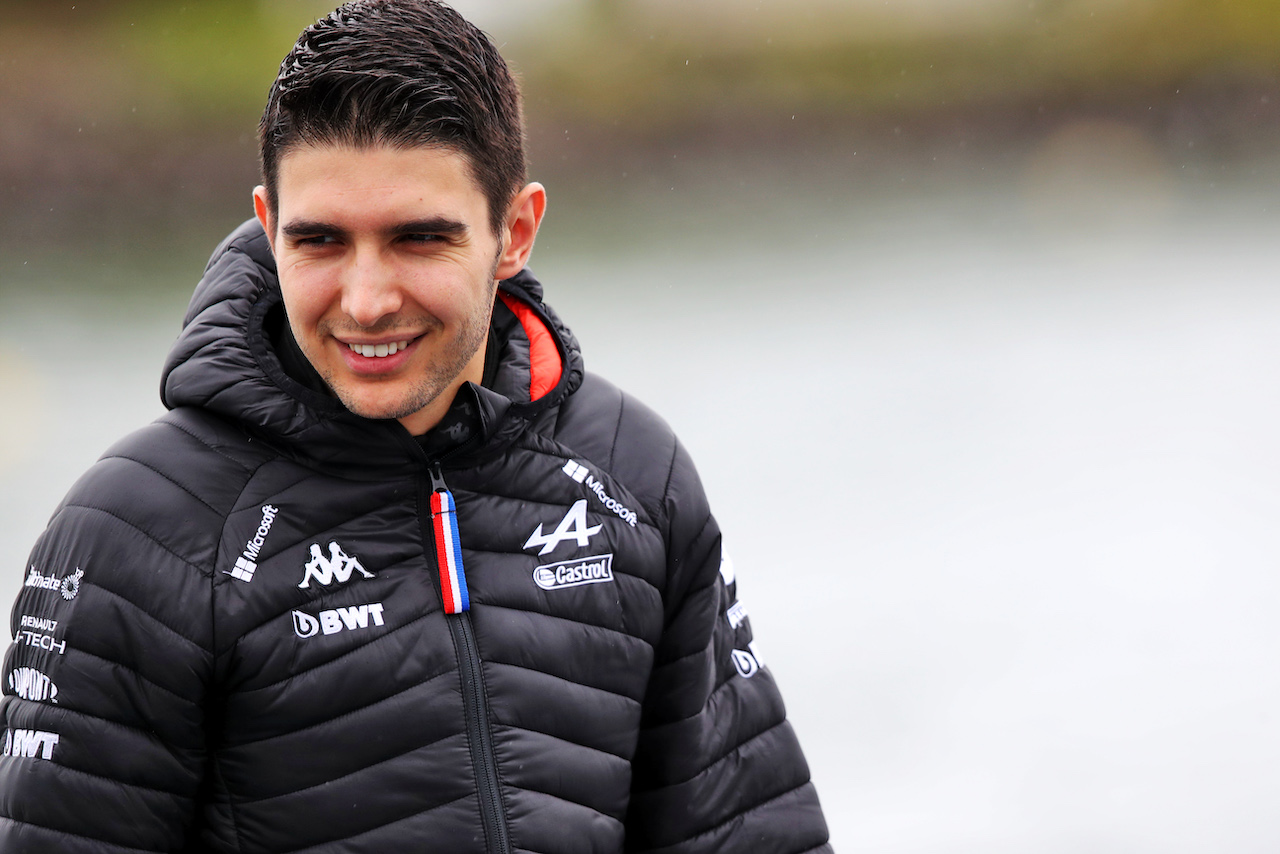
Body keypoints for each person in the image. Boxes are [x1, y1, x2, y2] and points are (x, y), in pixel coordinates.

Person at [0, 1, 832, 851]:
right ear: (267, 224)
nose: (365, 301)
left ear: (515, 232)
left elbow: (752, 832)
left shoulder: (634, 474)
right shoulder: (135, 531)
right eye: (319, 241)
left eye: (417, 239)